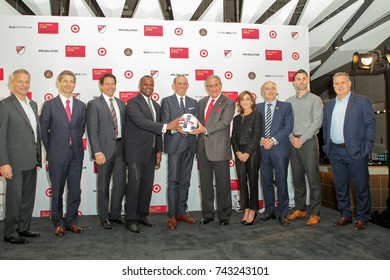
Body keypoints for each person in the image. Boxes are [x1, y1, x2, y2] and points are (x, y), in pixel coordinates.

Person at [123, 75, 179, 233]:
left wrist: (159, 150)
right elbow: (142, 122)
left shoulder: (155, 105)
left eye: (151, 84)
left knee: (146, 186)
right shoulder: (133, 102)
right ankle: (131, 219)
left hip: (150, 151)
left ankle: (142, 215)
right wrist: (167, 126)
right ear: (140, 85)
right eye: (146, 84)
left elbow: (157, 132)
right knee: (134, 186)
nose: (149, 87)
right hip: (135, 152)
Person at [322, 72, 376, 230]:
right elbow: (325, 128)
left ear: (349, 83)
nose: (339, 85)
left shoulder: (362, 101)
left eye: (343, 82)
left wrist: (366, 148)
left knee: (361, 187)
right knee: (341, 186)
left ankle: (362, 217)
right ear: (333, 86)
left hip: (356, 152)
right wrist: (327, 147)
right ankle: (345, 214)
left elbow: (371, 126)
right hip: (335, 152)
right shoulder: (329, 104)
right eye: (336, 83)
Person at [40, 70, 87, 237]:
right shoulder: (49, 105)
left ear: (74, 84)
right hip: (56, 155)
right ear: (59, 83)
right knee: (57, 190)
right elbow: (43, 130)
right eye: (65, 81)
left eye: (71, 81)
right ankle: (58, 223)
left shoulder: (81, 106)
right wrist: (52, 148)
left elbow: (80, 129)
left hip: (76, 155)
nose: (68, 84)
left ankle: (72, 222)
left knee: (75, 190)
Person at [0, 69, 41, 244]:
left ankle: (24, 228)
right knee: (14, 199)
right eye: (20, 81)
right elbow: (1, 136)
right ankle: (11, 232)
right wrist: (3, 162)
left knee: (27, 197)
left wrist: (38, 156)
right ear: (11, 83)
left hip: (31, 160)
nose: (24, 85)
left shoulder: (33, 104)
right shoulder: (5, 105)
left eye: (27, 81)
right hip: (14, 161)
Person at [191, 75, 235, 226]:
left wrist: (204, 129)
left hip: (220, 149)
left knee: (223, 185)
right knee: (206, 184)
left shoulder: (229, 102)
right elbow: (196, 122)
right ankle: (208, 214)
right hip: (203, 149)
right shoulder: (201, 102)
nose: (213, 88)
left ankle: (224, 216)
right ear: (206, 87)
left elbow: (224, 123)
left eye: (216, 85)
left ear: (221, 85)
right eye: (210, 86)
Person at [87, 73, 126, 229]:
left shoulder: (121, 103)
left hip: (121, 148)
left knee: (120, 184)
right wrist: (97, 151)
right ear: (101, 85)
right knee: (103, 185)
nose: (111, 86)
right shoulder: (94, 104)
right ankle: (104, 217)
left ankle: (115, 214)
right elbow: (92, 129)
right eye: (107, 84)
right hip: (103, 151)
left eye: (113, 84)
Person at [161, 75, 199, 230]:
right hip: (174, 146)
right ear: (173, 85)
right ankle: (172, 216)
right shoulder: (166, 101)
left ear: (188, 85)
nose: (182, 86)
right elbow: (164, 123)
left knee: (185, 181)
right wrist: (175, 128)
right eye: (179, 83)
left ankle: (181, 212)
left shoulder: (193, 103)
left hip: (190, 146)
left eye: (184, 83)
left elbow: (196, 123)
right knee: (173, 182)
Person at [286, 69, 323, 226]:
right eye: (298, 79)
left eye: (303, 79)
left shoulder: (315, 99)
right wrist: (292, 138)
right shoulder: (288, 101)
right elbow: (285, 123)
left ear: (307, 81)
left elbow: (317, 122)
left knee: (313, 178)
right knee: (297, 178)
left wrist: (302, 138)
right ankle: (300, 209)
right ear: (294, 82)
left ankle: (315, 212)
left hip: (307, 142)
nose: (300, 81)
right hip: (293, 141)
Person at [256, 81, 293, 227]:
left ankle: (283, 214)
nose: (270, 91)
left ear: (276, 91)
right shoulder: (257, 107)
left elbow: (288, 126)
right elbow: (254, 128)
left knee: (282, 182)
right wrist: (261, 140)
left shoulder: (286, 106)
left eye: (273, 88)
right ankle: (270, 212)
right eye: (267, 89)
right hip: (263, 151)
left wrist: (272, 140)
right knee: (265, 182)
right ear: (263, 92)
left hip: (279, 150)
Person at [231, 90, 262, 226]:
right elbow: (233, 138)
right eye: (242, 99)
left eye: (247, 99)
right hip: (239, 153)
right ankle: (246, 208)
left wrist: (247, 153)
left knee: (253, 181)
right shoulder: (236, 118)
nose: (245, 101)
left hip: (253, 152)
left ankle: (253, 210)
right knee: (242, 182)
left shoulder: (257, 115)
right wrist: (238, 152)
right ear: (239, 102)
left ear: (252, 101)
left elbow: (256, 136)